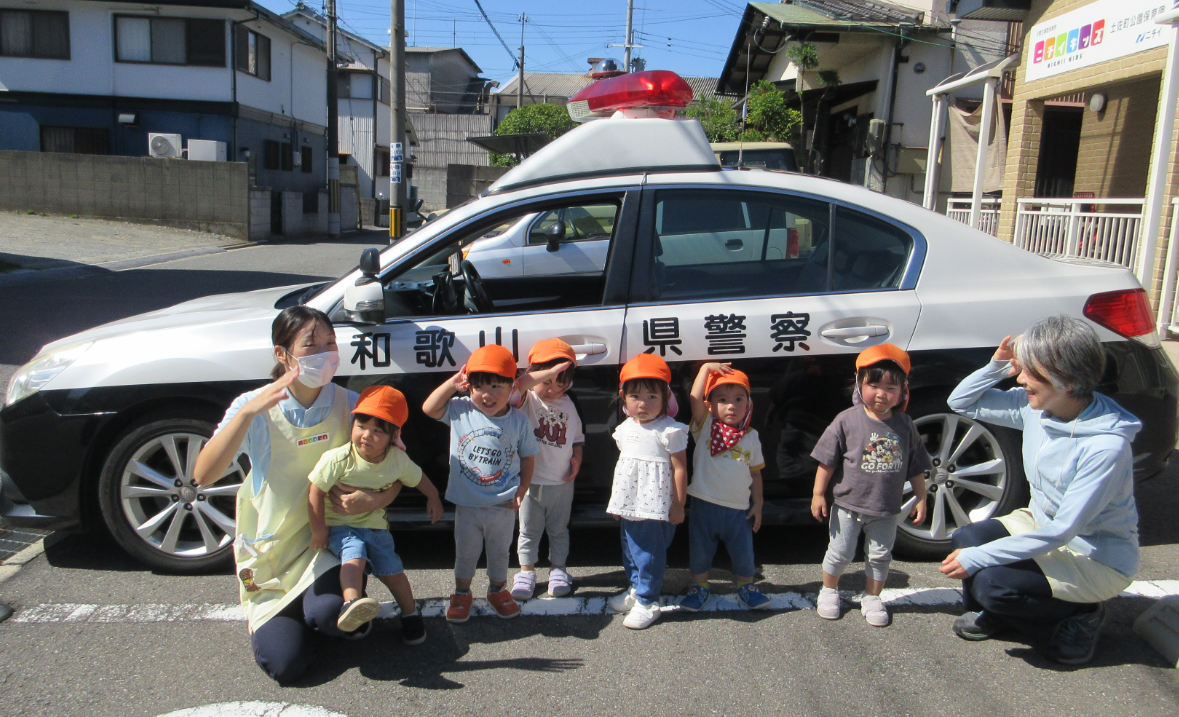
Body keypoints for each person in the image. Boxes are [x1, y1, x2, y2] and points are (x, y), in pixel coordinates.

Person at [194, 306, 401, 684]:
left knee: (329, 615)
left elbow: (398, 469)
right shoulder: (253, 406)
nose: (325, 352)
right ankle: (298, 619)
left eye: (330, 343)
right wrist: (244, 416)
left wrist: (377, 500)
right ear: (281, 354)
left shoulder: (353, 405)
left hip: (330, 541)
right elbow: (203, 474)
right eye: (311, 345)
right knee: (286, 665)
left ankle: (330, 616)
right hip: (274, 549)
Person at [941, 316, 1141, 665]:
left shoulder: (1106, 448)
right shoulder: (1037, 407)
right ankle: (1006, 612)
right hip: (1040, 524)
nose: (1021, 379)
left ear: (1066, 380)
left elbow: (1063, 530)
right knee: (966, 539)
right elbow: (961, 402)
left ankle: (1079, 619)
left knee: (990, 583)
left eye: (1031, 371)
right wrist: (996, 366)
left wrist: (978, 561)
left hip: (1093, 558)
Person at [307, 385, 443, 643]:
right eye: (361, 425)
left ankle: (410, 615)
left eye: (377, 430)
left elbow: (418, 478)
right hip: (341, 526)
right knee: (353, 553)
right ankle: (352, 605)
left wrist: (433, 496)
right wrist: (319, 531)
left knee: (394, 572)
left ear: (394, 435)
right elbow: (315, 491)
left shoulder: (397, 460)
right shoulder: (339, 459)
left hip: (377, 528)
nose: (366, 435)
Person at [810, 344, 930, 627]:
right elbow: (826, 461)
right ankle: (828, 590)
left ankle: (873, 596)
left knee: (879, 555)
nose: (881, 394)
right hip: (847, 505)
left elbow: (915, 466)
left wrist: (922, 497)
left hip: (886, 508)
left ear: (903, 390)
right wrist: (818, 494)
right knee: (840, 552)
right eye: (873, 385)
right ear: (859, 384)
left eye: (890, 387)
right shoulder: (846, 420)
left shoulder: (905, 424)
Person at [422, 344, 538, 623]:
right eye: (478, 387)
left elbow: (528, 458)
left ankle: (497, 590)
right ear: (468, 387)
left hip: (503, 504)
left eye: (497, 386)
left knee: (500, 553)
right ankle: (462, 592)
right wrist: (451, 384)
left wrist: (523, 488)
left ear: (513, 387)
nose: (487, 395)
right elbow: (428, 408)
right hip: (468, 504)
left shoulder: (519, 421)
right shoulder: (461, 410)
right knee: (466, 553)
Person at [606, 353, 689, 630]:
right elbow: (626, 468)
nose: (643, 404)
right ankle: (635, 589)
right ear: (623, 396)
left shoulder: (669, 430)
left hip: (655, 505)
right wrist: (619, 502)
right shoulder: (626, 427)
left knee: (648, 552)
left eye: (652, 396)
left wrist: (679, 505)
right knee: (630, 549)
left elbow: (679, 469)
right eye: (635, 396)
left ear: (667, 396)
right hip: (630, 502)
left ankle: (648, 600)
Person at [680, 362, 771, 612]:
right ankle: (700, 587)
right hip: (704, 504)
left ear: (749, 404)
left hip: (738, 508)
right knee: (700, 551)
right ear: (710, 405)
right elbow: (694, 397)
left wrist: (759, 503)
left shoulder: (751, 436)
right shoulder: (705, 427)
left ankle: (746, 586)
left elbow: (756, 474)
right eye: (722, 399)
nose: (731, 405)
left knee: (743, 553)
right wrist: (706, 369)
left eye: (739, 399)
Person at [509, 339, 585, 601]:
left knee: (559, 530)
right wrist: (544, 374)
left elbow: (577, 438)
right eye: (548, 381)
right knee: (528, 531)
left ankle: (558, 570)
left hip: (562, 483)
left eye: (560, 382)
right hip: (530, 483)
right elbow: (516, 386)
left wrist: (577, 458)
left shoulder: (569, 405)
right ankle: (526, 572)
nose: (553, 389)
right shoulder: (527, 400)